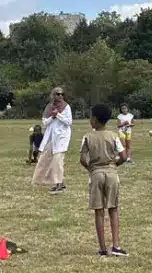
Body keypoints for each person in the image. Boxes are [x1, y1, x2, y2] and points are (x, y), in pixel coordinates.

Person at [81, 104, 128, 257]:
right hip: (112, 173)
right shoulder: (114, 135)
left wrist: (91, 168)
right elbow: (123, 156)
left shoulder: (88, 137)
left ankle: (102, 248)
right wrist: (114, 165)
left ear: (94, 119)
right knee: (113, 209)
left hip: (96, 174)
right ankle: (116, 245)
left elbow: (82, 159)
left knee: (99, 211)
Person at [32, 87, 73, 194]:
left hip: (62, 137)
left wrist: (58, 115)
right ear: (53, 95)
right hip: (51, 137)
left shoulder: (66, 107)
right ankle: (47, 181)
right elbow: (45, 122)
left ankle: (58, 184)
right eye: (58, 94)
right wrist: (52, 117)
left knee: (57, 160)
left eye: (62, 94)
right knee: (46, 158)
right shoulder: (49, 107)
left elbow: (69, 122)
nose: (60, 96)